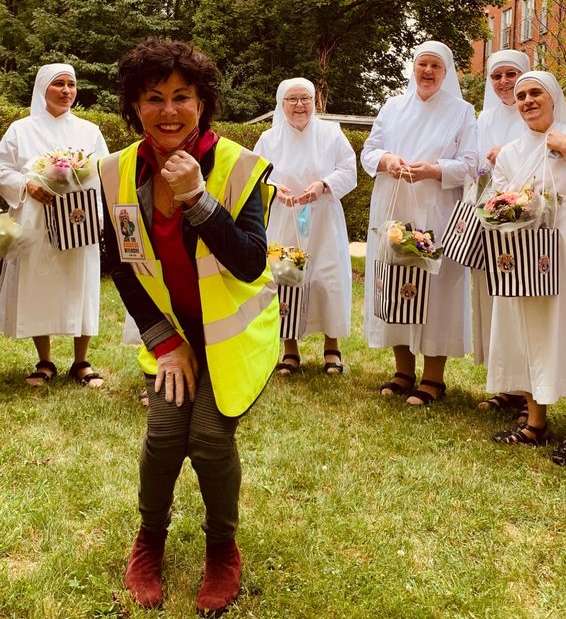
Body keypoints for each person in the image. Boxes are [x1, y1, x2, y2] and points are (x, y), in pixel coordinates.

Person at [99, 39, 279, 612]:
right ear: (134, 107)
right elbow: (122, 267)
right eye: (153, 98)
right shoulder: (117, 173)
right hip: (172, 338)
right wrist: (164, 342)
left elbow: (251, 261)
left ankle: (222, 549)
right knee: (162, 437)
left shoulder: (237, 166)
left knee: (206, 438)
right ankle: (148, 541)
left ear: (203, 103)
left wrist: (198, 199)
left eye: (182, 96)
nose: (168, 110)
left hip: (233, 337)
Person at [488, 70, 566, 466]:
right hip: (528, 251)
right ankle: (535, 422)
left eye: (535, 93)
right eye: (521, 95)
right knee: (531, 328)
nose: (527, 100)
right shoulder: (509, 152)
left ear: (553, 97)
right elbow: (497, 201)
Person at [361, 41, 478, 405]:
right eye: (422, 64)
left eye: (435, 66)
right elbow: (369, 151)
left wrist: (433, 170)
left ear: (446, 73)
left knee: (436, 291)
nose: (427, 72)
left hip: (438, 210)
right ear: (413, 69)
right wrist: (388, 160)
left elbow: (471, 164)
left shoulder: (461, 111)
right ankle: (403, 370)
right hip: (394, 207)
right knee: (395, 283)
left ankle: (433, 378)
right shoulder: (393, 107)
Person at [0, 63, 108, 387]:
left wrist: (100, 217)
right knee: (38, 284)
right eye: (58, 84)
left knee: (81, 282)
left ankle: (81, 361)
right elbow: (2, 169)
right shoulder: (21, 130)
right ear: (42, 89)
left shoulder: (90, 131)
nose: (66, 91)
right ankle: (45, 361)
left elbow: (104, 174)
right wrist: (25, 184)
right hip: (37, 220)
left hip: (80, 221)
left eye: (71, 84)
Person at [254, 78, 357, 374]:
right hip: (285, 218)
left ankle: (332, 349)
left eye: (305, 99)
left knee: (328, 278)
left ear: (315, 101)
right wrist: (276, 190)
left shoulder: (331, 133)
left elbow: (348, 170)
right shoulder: (269, 138)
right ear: (281, 103)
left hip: (323, 217)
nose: (299, 105)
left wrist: (324, 184)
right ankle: (289, 351)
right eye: (292, 99)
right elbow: (257, 175)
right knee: (285, 276)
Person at [473, 50, 531, 418]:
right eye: (497, 76)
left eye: (512, 74)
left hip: (527, 222)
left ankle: (531, 395)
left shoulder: (536, 109)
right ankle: (508, 386)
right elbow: (473, 165)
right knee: (495, 303)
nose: (505, 83)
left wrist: (505, 152)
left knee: (523, 304)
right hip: (492, 219)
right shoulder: (485, 118)